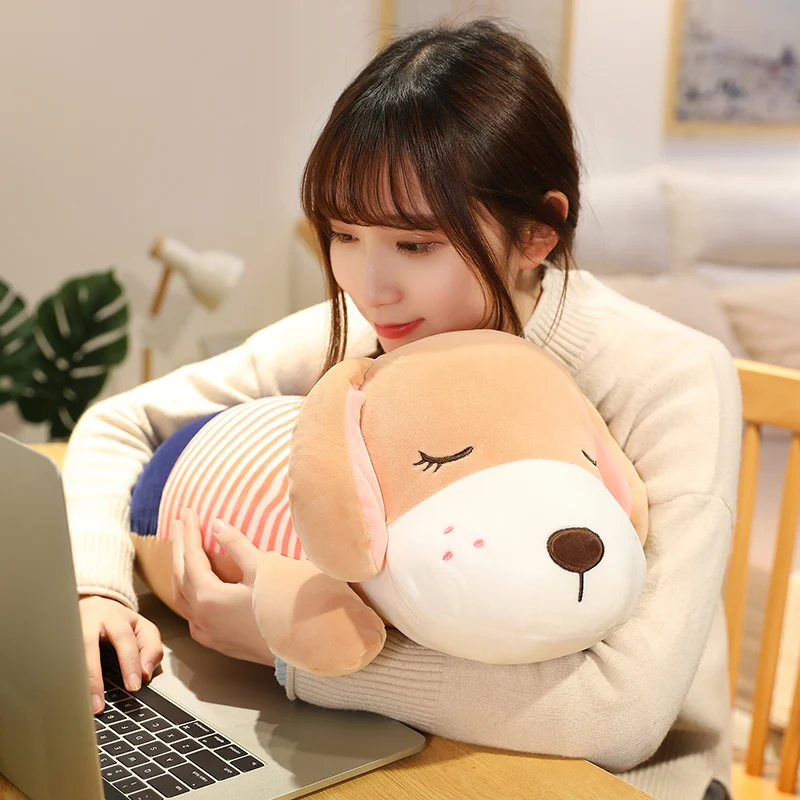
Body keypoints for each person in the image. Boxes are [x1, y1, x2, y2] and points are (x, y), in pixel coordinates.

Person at [63, 19, 741, 800]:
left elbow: (622, 713)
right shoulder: (371, 332)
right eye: (344, 234)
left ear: (537, 232)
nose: (368, 285)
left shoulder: (672, 376)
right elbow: (123, 423)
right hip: (405, 742)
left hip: (617, 782)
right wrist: (99, 589)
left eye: (415, 245)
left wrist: (296, 655)